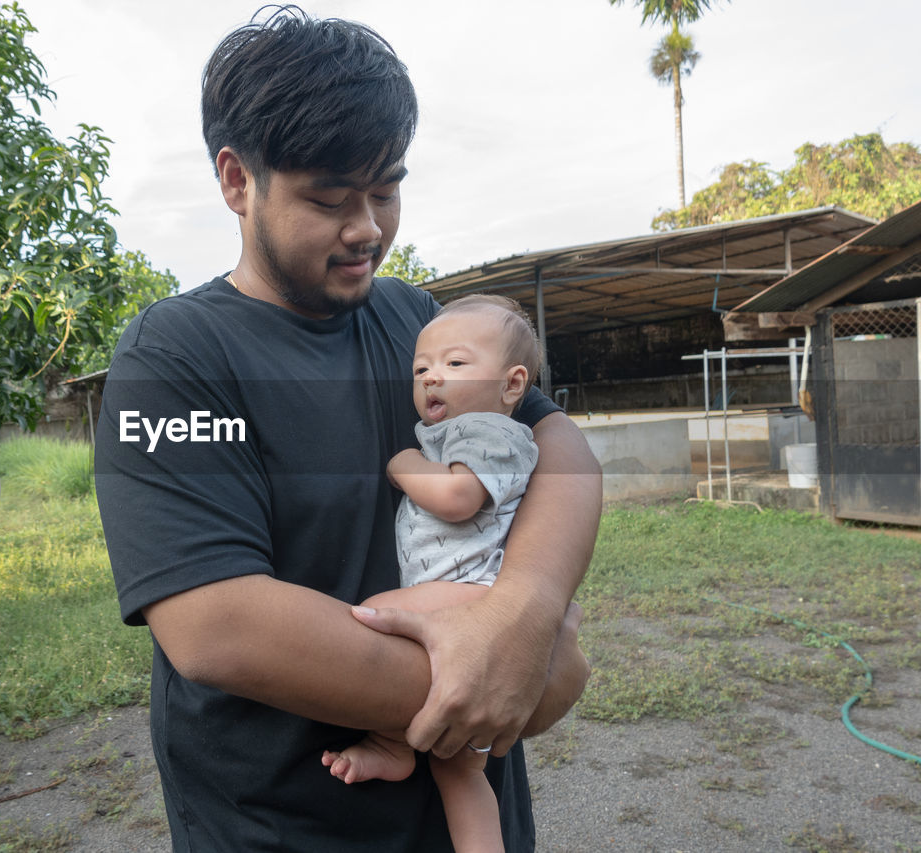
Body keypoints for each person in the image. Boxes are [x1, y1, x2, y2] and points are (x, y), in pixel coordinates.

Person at [94, 7, 602, 851]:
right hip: (286, 825)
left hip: (461, 818)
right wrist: (511, 672)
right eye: (329, 197)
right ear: (235, 180)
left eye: (386, 189)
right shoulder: (177, 356)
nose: (367, 225)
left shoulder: (417, 321)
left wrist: (526, 609)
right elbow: (216, 622)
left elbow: (561, 447)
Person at [320, 295, 591, 853]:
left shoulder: (492, 433)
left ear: (513, 385)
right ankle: (410, 760)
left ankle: (391, 741)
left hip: (472, 594)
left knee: (372, 613)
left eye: (455, 364)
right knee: (459, 772)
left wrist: (403, 466)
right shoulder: (463, 433)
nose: (432, 378)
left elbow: (458, 496)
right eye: (421, 369)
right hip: (460, 591)